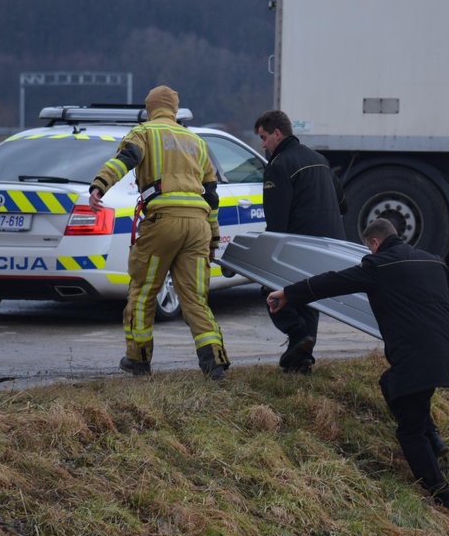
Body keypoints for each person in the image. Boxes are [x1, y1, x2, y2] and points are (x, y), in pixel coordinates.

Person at [266, 218, 449, 508]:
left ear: (374, 243)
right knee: (393, 386)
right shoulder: (434, 261)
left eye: (368, 248)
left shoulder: (379, 265)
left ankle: (440, 493)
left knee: (408, 429)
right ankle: (432, 437)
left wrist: (289, 293)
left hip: (415, 356)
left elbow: (333, 281)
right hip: (447, 351)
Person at [89, 85, 229, 380]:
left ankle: (138, 359)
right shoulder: (196, 141)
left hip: (163, 221)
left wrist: (100, 184)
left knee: (143, 291)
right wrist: (213, 238)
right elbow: (212, 195)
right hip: (198, 226)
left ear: (150, 107)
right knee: (195, 297)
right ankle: (214, 362)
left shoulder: (144, 133)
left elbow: (125, 160)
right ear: (175, 110)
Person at [254, 109, 348, 373]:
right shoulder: (319, 159)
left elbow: (277, 220)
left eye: (263, 137)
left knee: (271, 292)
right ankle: (301, 360)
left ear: (277, 133)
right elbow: (343, 204)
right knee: (309, 294)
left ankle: (298, 335)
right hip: (331, 245)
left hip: (300, 243)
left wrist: (268, 258)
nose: (262, 144)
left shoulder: (278, 165)